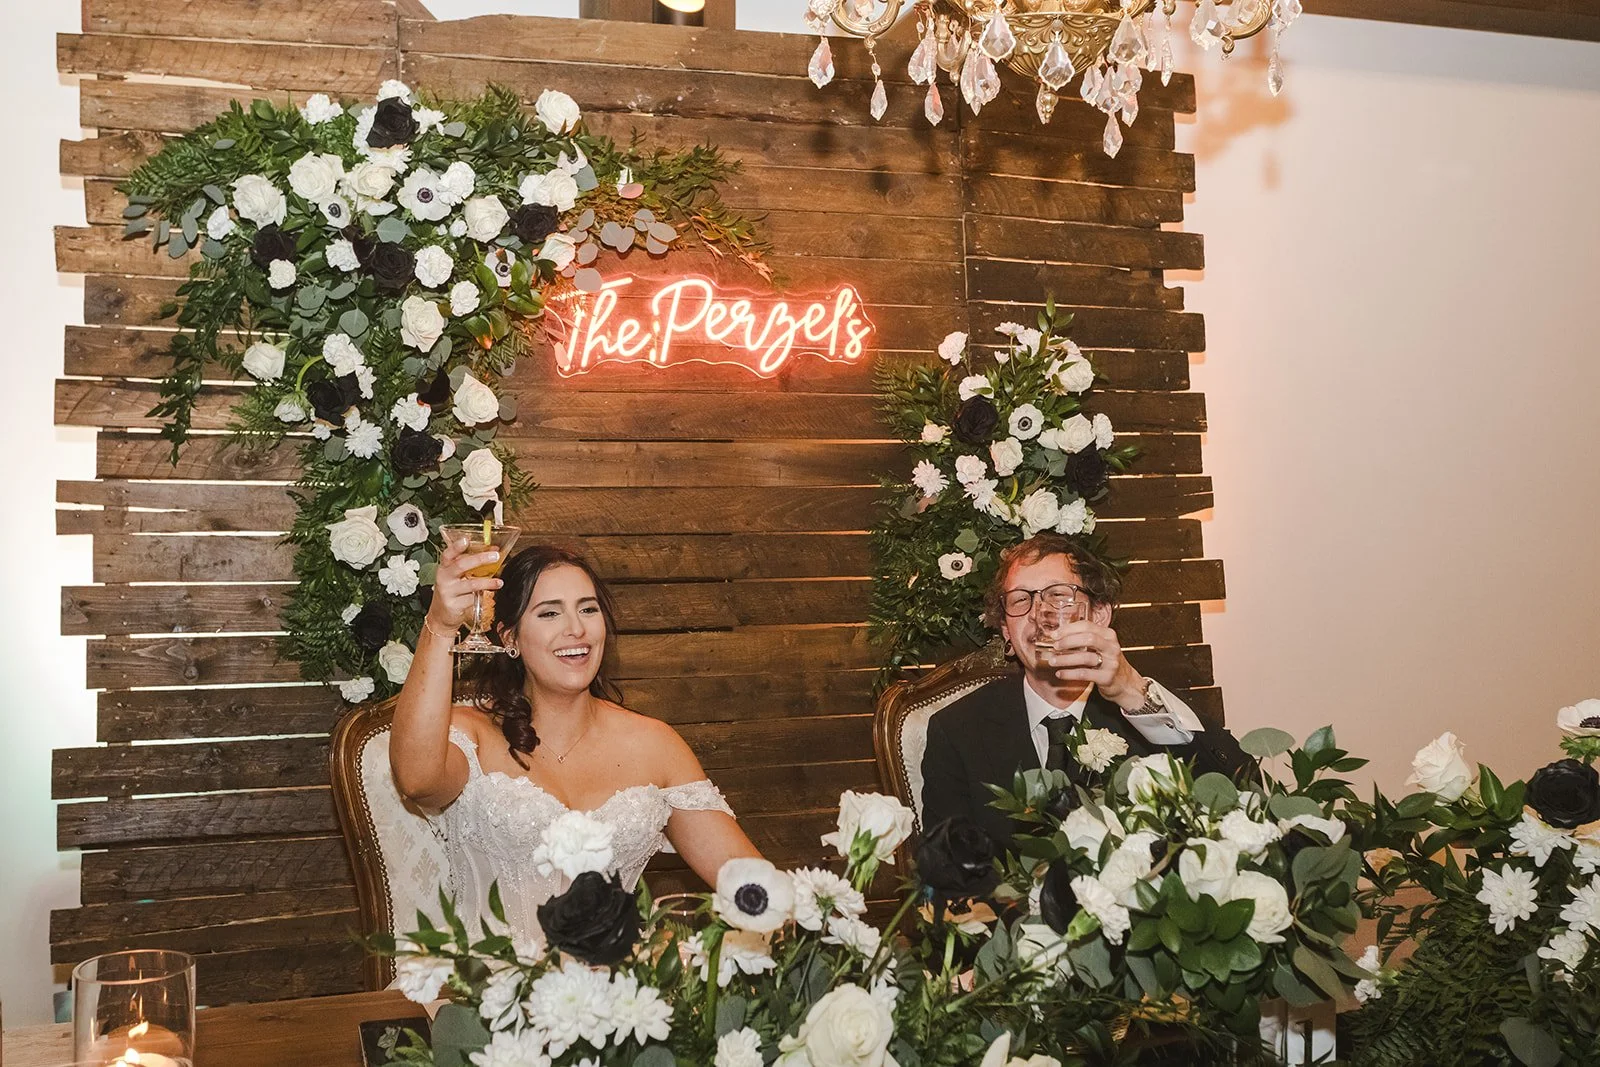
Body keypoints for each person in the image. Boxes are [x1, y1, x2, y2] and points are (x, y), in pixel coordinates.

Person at [391, 539, 760, 941]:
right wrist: (442, 626)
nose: (576, 628)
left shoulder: (655, 744)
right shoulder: (471, 733)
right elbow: (417, 779)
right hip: (487, 989)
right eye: (550, 613)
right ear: (509, 637)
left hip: (616, 992)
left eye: (588, 608)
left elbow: (749, 883)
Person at [920, 533, 1250, 849]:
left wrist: (1133, 691)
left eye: (1058, 596)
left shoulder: (1148, 710)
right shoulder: (957, 730)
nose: (1040, 615)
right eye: (1021, 600)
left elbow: (1243, 795)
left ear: (1099, 614)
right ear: (1006, 631)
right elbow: (947, 877)